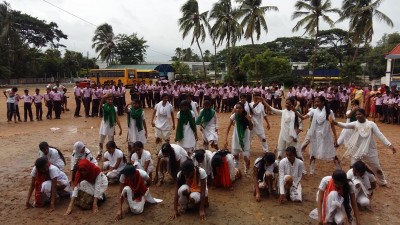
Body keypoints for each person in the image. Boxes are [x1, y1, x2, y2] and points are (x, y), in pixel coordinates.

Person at [330, 108, 397, 186]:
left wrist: (390, 145)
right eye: (357, 114)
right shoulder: (355, 124)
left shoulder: (371, 124)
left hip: (370, 151)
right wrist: (335, 122)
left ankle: (382, 182)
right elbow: (345, 125)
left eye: (360, 114)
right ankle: (351, 182)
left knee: (377, 168)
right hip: (357, 149)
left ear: (365, 115)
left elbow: (380, 135)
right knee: (353, 167)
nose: (358, 116)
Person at [296, 96, 340, 175]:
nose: (316, 103)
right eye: (315, 102)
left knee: (332, 153)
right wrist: (294, 110)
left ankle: (339, 169)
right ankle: (312, 171)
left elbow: (332, 125)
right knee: (313, 152)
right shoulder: (313, 111)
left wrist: (335, 138)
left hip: (326, 135)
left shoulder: (329, 112)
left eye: (318, 102)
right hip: (315, 135)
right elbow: (302, 117)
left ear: (323, 102)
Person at [225, 102, 253, 175]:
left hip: (245, 137)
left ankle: (246, 172)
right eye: (236, 108)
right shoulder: (234, 115)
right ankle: (236, 171)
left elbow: (251, 128)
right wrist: (225, 139)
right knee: (235, 156)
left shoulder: (247, 116)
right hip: (236, 137)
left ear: (243, 108)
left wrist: (249, 120)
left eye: (240, 108)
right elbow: (228, 127)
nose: (238, 109)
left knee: (246, 157)